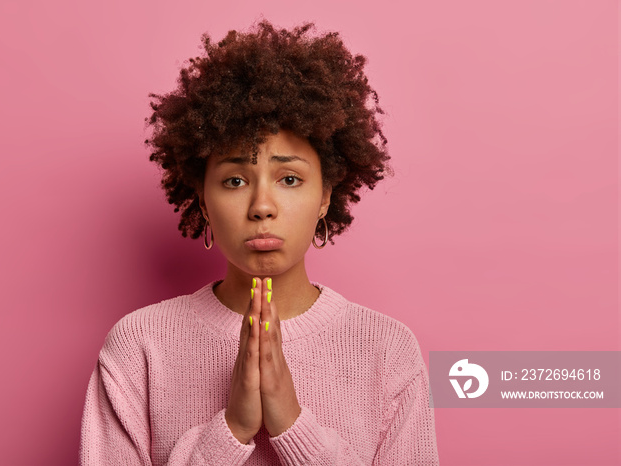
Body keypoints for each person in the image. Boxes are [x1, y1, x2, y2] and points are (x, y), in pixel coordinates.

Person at [79, 19, 439, 465]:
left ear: (325, 196)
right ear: (203, 201)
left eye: (290, 178)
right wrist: (230, 430)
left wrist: (292, 425)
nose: (262, 206)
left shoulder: (386, 349)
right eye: (234, 180)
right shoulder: (139, 346)